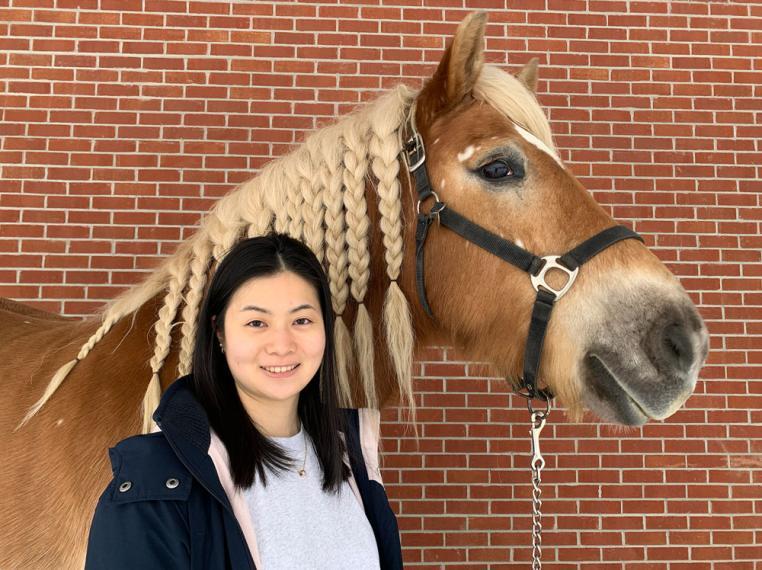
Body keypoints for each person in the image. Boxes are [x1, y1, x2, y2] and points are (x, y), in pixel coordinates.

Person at [85, 233, 402, 569]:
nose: (282, 344)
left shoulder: (353, 461)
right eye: (256, 323)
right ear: (219, 332)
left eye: (301, 320)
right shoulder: (153, 483)